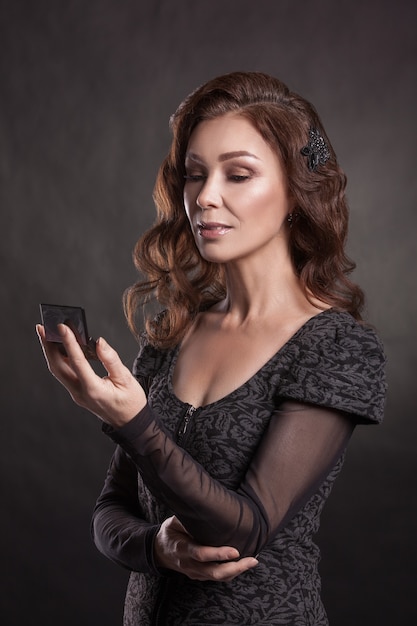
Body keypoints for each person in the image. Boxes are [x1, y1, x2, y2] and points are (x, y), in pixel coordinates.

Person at [36, 71, 386, 625]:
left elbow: (241, 532)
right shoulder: (174, 332)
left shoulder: (335, 347)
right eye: (194, 174)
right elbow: (110, 512)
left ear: (297, 191)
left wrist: (132, 421)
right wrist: (157, 548)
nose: (206, 196)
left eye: (238, 174)